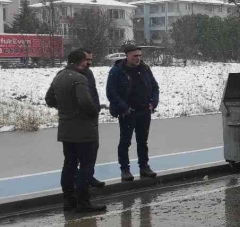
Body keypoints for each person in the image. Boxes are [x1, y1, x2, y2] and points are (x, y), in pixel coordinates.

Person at [45, 49, 106, 213]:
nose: (88, 63)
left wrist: (65, 109)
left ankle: (69, 200)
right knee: (86, 166)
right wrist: (93, 112)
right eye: (86, 60)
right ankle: (83, 202)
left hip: (66, 128)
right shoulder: (80, 78)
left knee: (69, 165)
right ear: (81, 61)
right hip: (83, 129)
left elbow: (49, 99)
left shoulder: (59, 75)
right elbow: (86, 102)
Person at [106, 44, 160, 182]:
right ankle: (125, 169)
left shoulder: (145, 69)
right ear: (127, 56)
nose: (138, 58)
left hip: (144, 111)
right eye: (135, 56)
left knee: (143, 141)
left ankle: (144, 166)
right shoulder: (117, 71)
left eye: (139, 55)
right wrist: (124, 108)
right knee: (125, 142)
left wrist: (153, 103)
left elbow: (154, 87)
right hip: (128, 113)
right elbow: (111, 92)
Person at [80, 48, 106, 188]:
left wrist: (96, 109)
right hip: (79, 120)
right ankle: (78, 181)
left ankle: (88, 176)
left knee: (93, 148)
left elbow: (93, 93)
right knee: (77, 153)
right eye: (86, 59)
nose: (89, 62)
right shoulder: (72, 75)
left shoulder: (89, 73)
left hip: (92, 118)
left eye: (91, 59)